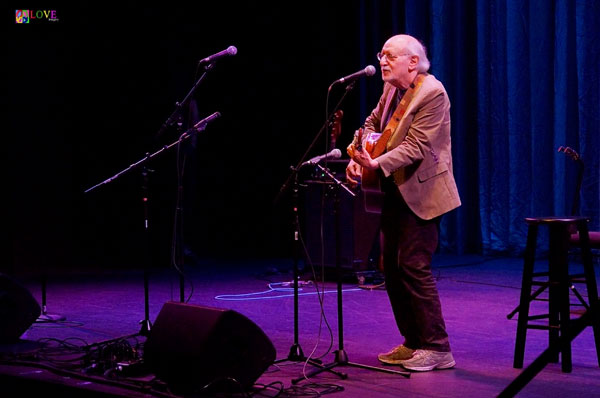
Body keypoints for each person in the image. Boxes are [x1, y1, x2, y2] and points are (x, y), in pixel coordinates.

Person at [346, 34, 461, 372]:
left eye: (390, 55)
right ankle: (414, 342)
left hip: (423, 193)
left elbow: (416, 146)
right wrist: (358, 152)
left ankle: (438, 348)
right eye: (381, 54)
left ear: (413, 61)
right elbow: (370, 125)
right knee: (392, 269)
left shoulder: (432, 93)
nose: (382, 60)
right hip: (393, 192)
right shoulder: (391, 90)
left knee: (414, 266)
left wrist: (376, 164)